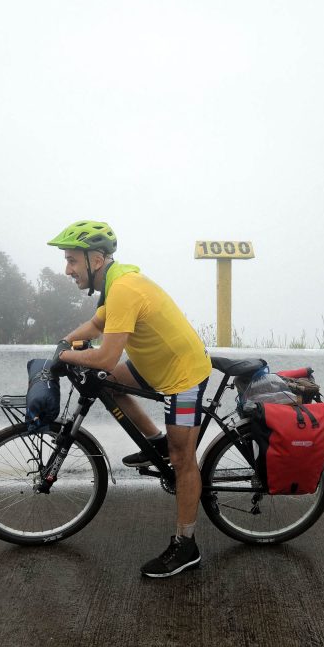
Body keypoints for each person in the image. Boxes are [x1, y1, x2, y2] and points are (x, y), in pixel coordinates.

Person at [47, 220, 212, 578]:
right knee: (108, 384)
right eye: (67, 260)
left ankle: (187, 546)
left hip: (183, 373)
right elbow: (95, 326)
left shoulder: (124, 288)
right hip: (156, 363)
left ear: (97, 259)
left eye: (73, 260)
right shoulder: (116, 284)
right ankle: (156, 440)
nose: (67, 269)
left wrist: (64, 358)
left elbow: (105, 358)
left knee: (183, 460)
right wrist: (63, 343)